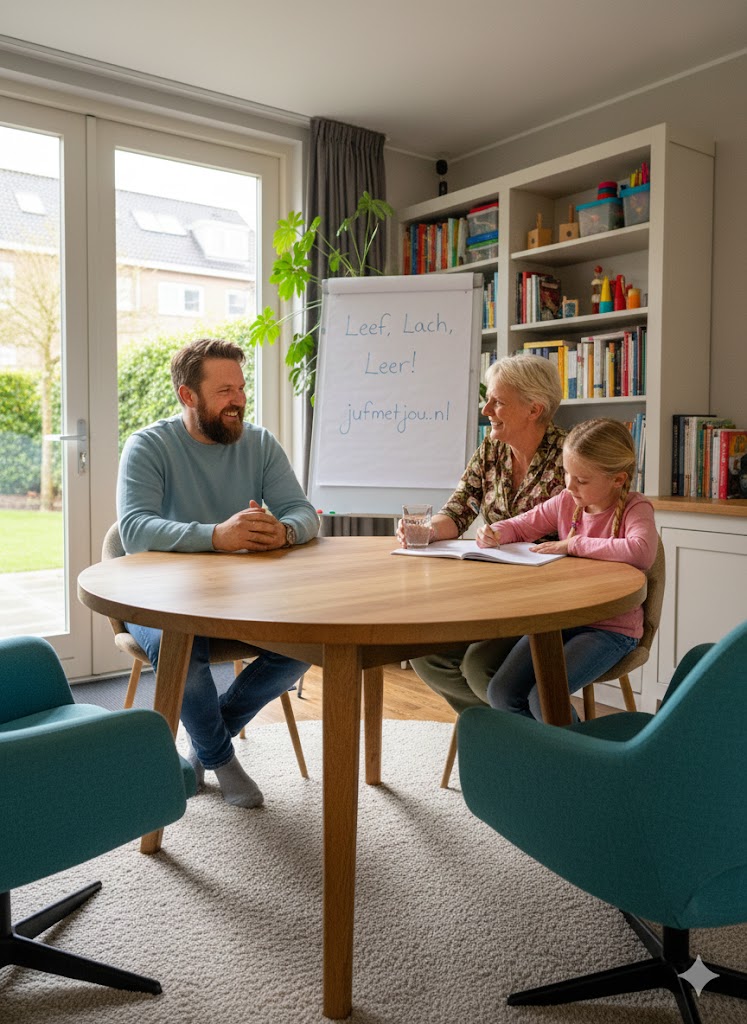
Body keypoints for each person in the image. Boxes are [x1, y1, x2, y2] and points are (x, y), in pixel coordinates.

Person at [117, 337, 320, 808]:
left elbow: (302, 511)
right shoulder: (148, 445)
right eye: (225, 391)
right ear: (187, 395)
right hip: (156, 598)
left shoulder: (260, 443)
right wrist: (216, 536)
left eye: (242, 388)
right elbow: (134, 530)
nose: (239, 400)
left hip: (239, 599)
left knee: (309, 641)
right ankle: (224, 762)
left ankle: (205, 745)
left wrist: (285, 531)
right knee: (181, 648)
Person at [396, 353, 566, 714]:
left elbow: (583, 537)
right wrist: (425, 530)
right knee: (426, 653)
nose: (486, 409)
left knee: (479, 667)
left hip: (547, 599)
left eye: (497, 402)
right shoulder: (491, 448)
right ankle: (501, 728)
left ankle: (529, 733)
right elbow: (459, 508)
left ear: (534, 409)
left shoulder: (570, 457)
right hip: (491, 590)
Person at [480, 418, 657, 720]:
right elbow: (521, 526)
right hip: (561, 619)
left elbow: (641, 552)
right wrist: (495, 532)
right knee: (501, 692)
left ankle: (572, 751)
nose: (569, 485)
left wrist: (573, 544)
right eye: (566, 473)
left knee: (544, 696)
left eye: (582, 480)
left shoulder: (634, 507)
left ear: (618, 479)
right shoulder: (566, 501)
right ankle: (539, 748)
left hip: (611, 630)